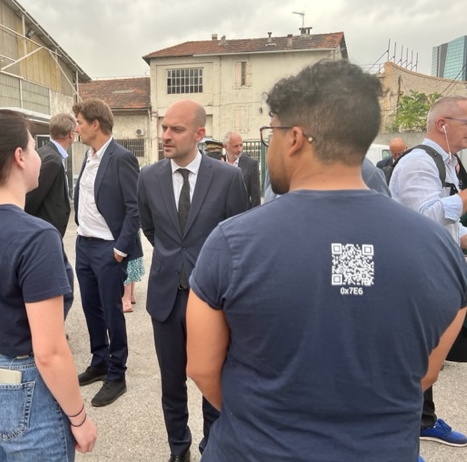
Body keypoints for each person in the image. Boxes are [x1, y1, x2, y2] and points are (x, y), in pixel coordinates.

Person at [186, 60, 467, 462]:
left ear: (296, 138)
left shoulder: (232, 242)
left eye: (273, 134)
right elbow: (425, 373)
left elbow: (201, 367)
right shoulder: (441, 249)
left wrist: (264, 418)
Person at [0, 109, 96, 460]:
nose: (37, 157)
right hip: (19, 382)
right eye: (33, 147)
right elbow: (49, 350)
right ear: (18, 157)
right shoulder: (35, 236)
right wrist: (79, 416)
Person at [137, 99, 248, 462]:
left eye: (176, 129)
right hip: (166, 296)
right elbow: (151, 229)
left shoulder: (229, 178)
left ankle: (212, 448)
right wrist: (174, 261)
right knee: (172, 383)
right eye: (164, 127)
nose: (165, 136)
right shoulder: (149, 177)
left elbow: (239, 235)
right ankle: (178, 450)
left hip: (213, 299)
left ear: (199, 134)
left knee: (212, 378)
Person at [389, 95, 467, 448]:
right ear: (443, 124)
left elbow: (446, 227)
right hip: (415, 274)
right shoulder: (419, 162)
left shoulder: (447, 162)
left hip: (436, 269)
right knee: (413, 358)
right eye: (466, 123)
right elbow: (425, 217)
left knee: (428, 354)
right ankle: (401, 438)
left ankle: (423, 421)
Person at [73, 98, 141, 407]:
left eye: (80, 122)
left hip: (107, 248)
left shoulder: (121, 157)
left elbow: (134, 208)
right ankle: (99, 361)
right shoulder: (89, 156)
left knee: (113, 311)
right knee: (90, 308)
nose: (77, 128)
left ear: (95, 124)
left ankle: (117, 374)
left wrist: (119, 249)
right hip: (84, 245)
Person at [24, 113, 76, 318]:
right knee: (59, 285)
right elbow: (32, 199)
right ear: (71, 134)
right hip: (45, 233)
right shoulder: (52, 160)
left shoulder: (46, 152)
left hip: (48, 231)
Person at [223, 131, 261, 208]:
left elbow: (256, 196)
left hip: (243, 214)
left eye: (241, 145)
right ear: (225, 146)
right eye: (235, 146)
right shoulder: (218, 162)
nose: (239, 149)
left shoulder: (251, 164)